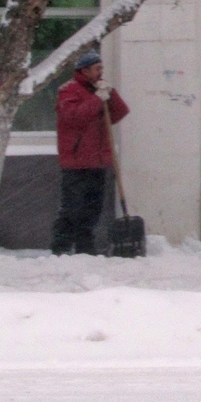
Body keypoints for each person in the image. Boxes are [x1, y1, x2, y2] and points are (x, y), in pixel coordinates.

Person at [53, 49, 130, 255]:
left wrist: (110, 94)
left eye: (101, 67)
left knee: (92, 210)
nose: (101, 71)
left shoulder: (99, 90)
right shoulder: (68, 91)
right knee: (72, 209)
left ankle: (85, 249)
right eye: (97, 68)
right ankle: (60, 248)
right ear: (84, 70)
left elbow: (120, 112)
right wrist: (97, 99)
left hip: (98, 161)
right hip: (76, 161)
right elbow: (74, 118)